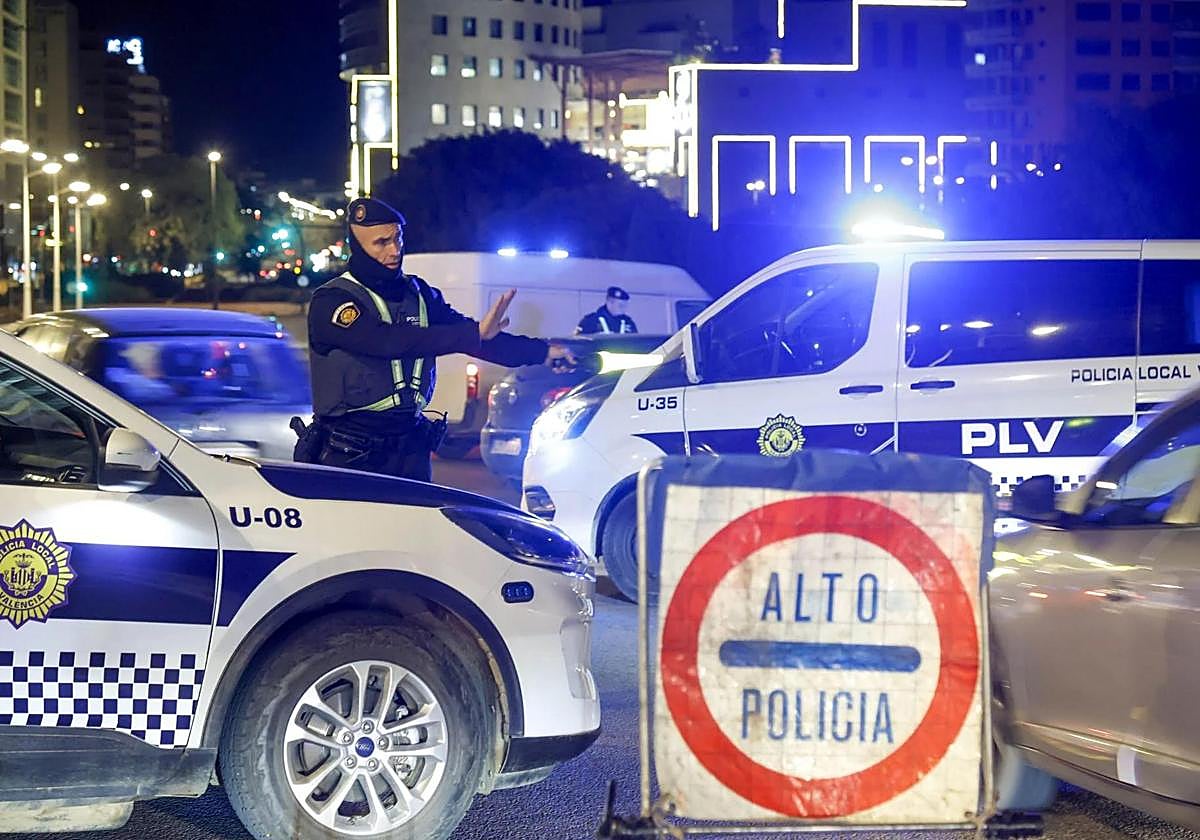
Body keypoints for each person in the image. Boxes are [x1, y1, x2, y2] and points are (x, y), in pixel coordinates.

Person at [296, 197, 576, 481]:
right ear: (357, 246)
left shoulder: (419, 294)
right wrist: (472, 334)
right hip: (349, 452)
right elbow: (385, 341)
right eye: (381, 242)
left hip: (410, 449)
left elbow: (477, 337)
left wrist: (542, 352)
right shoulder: (333, 301)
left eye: (398, 238)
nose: (394, 250)